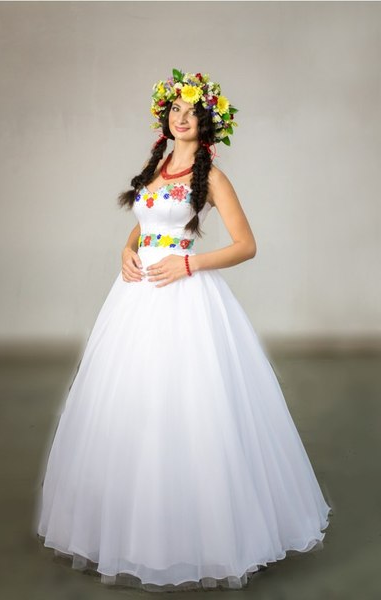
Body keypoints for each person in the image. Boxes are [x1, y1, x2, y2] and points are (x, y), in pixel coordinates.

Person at [34, 68, 332, 592]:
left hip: (185, 295)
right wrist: (126, 249)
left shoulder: (211, 177)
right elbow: (147, 222)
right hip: (135, 297)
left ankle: (203, 537)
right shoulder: (157, 166)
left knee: (191, 405)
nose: (182, 118)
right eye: (175, 109)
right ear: (165, 116)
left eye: (192, 112)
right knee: (132, 400)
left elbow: (246, 244)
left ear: (207, 122)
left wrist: (189, 264)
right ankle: (131, 531)